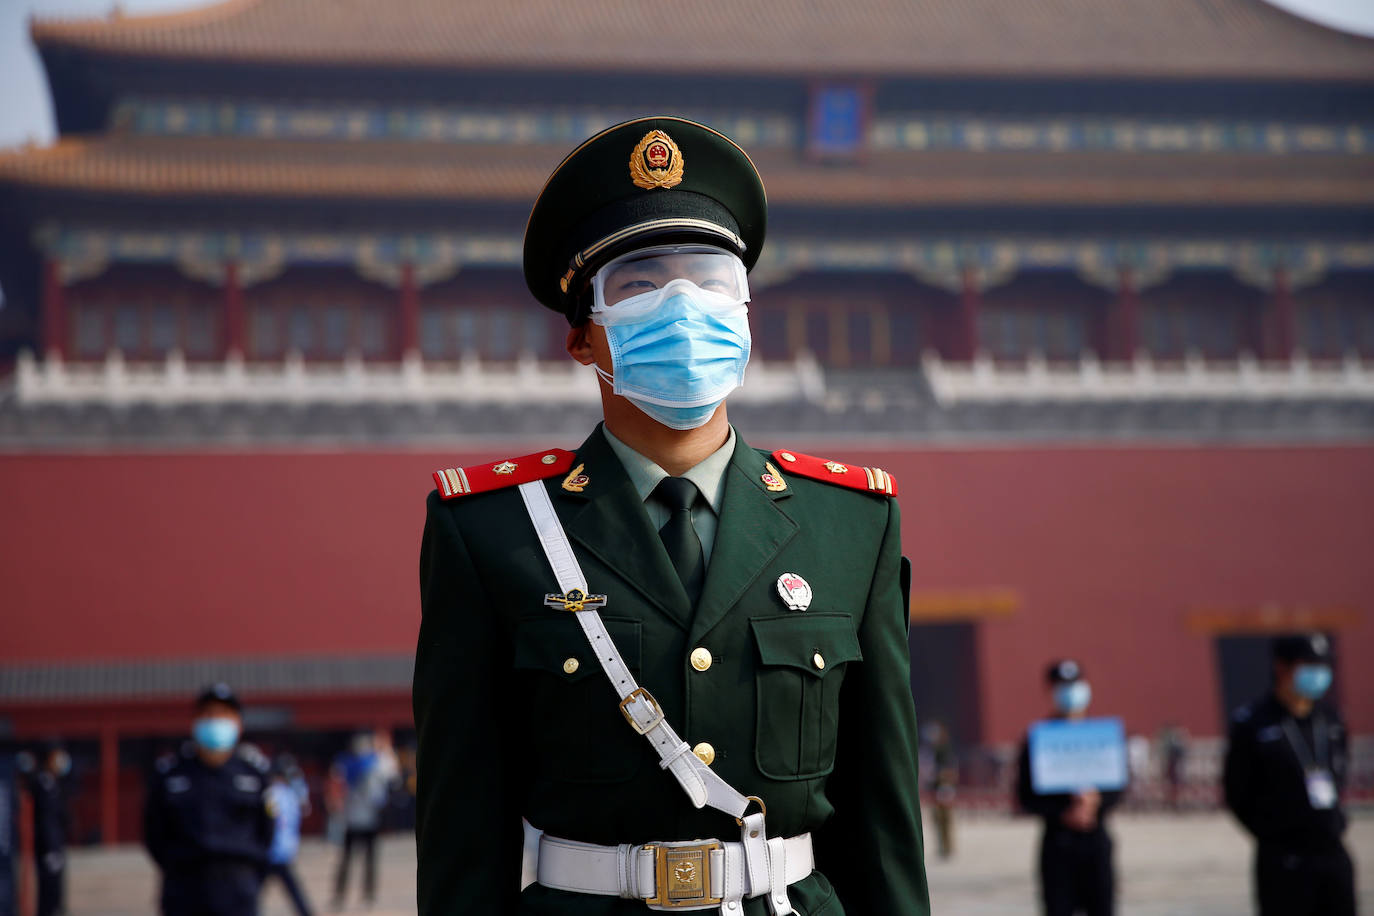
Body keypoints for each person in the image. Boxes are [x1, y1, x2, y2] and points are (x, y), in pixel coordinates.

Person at [414, 116, 929, 915]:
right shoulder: (492, 532)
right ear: (582, 336)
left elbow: (883, 817)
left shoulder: (850, 524)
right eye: (642, 283)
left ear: (747, 313)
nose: (684, 306)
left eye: (711, 280)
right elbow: (461, 828)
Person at [1223, 633, 1354, 916]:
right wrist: (1274, 833)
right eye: (1309, 664)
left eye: (1322, 665)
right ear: (1281, 667)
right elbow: (1237, 791)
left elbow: (1341, 772)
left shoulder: (1331, 720)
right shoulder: (1254, 723)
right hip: (1283, 858)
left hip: (1332, 850)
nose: (1318, 673)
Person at [143, 683, 274, 916]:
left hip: (238, 887)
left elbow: (266, 832)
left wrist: (250, 876)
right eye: (209, 714)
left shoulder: (254, 774)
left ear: (238, 723)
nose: (216, 721)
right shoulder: (171, 774)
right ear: (195, 722)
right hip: (184, 887)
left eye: (224, 715)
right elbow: (154, 832)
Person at [1016, 660, 1121, 916]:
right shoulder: (1037, 739)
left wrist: (1097, 803)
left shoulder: (1103, 737)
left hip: (1096, 839)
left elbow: (1117, 788)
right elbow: (1025, 795)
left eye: (1074, 684)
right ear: (1050, 690)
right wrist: (1062, 812)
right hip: (1058, 841)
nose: (1070, 691)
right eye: (1062, 686)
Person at [330, 732, 391, 909]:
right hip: (360, 818)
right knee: (359, 859)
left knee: (355, 859)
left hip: (359, 819)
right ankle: (358, 894)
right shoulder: (372, 765)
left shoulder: (349, 764)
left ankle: (354, 894)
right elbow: (378, 796)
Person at [264, 756, 314, 916]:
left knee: (252, 891)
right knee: (293, 891)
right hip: (285, 850)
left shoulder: (272, 794)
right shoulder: (290, 794)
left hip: (271, 849)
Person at [29, 743, 71, 916]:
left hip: (56, 844)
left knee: (57, 894)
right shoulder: (43, 783)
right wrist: (50, 848)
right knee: (48, 894)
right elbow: (46, 819)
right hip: (48, 848)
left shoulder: (54, 783)